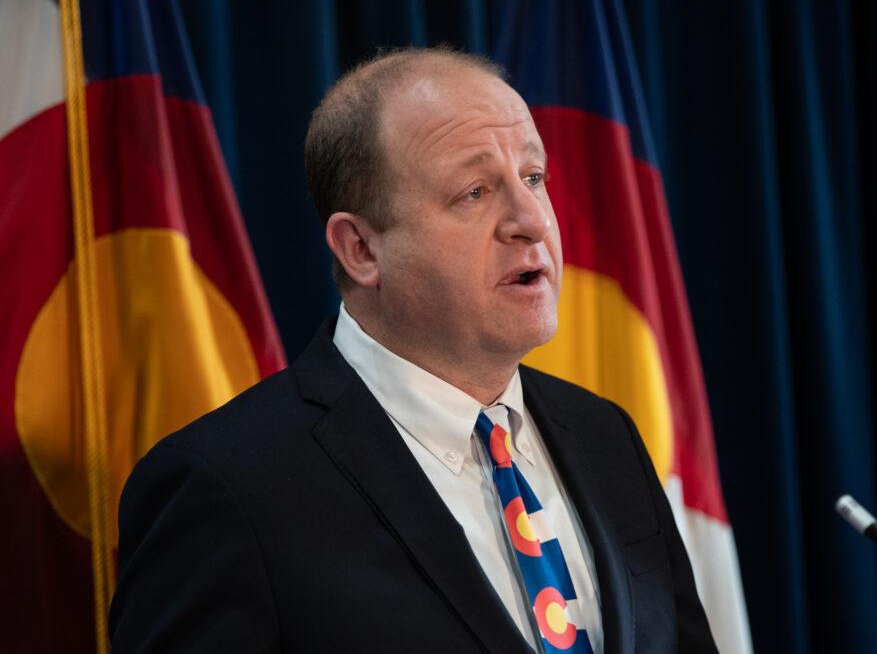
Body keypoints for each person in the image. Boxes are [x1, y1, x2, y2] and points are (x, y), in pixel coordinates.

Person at [109, 47, 717, 653]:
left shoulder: (606, 436)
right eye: (475, 191)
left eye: (533, 178)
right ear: (361, 250)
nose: (532, 219)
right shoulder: (226, 488)